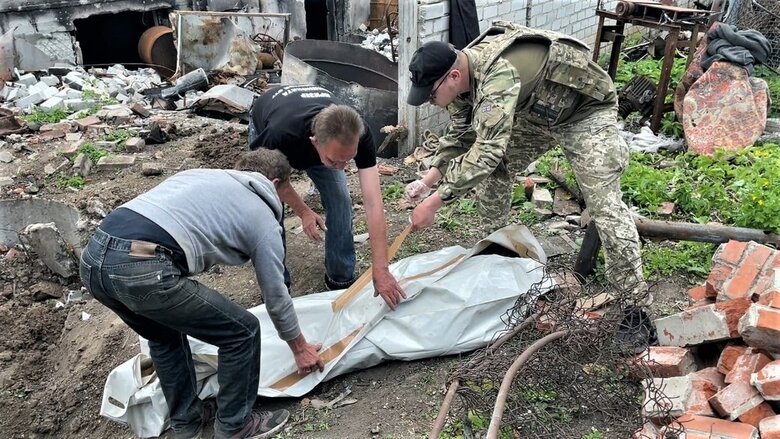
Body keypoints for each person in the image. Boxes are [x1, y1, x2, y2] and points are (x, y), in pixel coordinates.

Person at [79, 149, 324, 439]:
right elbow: (275, 294)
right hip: (142, 267)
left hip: (93, 260)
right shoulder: (262, 216)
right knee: (242, 332)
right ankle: (235, 425)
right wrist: (299, 347)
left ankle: (187, 422)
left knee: (163, 336)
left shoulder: (199, 177)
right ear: (274, 183)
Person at [404, 22, 645, 292]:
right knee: (497, 171)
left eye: (431, 94)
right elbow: (461, 135)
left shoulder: (497, 76)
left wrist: (433, 204)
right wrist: (428, 181)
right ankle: (495, 255)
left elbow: (486, 152)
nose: (430, 101)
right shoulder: (461, 80)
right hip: (538, 113)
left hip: (585, 114)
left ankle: (631, 299)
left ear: (454, 76)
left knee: (604, 205)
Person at [248, 84, 406, 310]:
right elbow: (277, 183)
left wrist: (380, 269)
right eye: (335, 161)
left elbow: (373, 202)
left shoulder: (358, 134)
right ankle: (277, 290)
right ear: (314, 142)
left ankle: (340, 277)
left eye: (348, 160)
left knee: (340, 199)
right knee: (270, 212)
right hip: (269, 117)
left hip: (311, 127)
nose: (342, 168)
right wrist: (303, 211)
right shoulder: (280, 135)